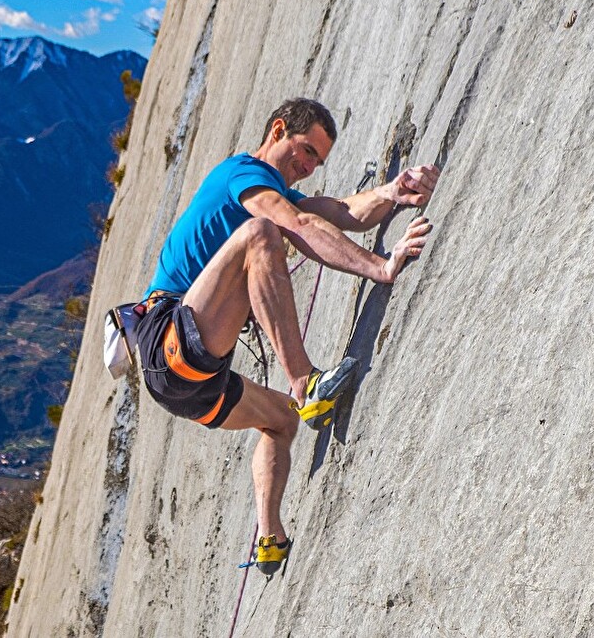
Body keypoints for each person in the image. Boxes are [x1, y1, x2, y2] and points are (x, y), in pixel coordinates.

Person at [132, 97, 439, 575]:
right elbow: (292, 224)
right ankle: (306, 381)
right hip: (167, 338)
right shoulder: (242, 174)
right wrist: (381, 266)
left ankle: (268, 536)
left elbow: (341, 211)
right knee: (261, 234)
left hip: (192, 380)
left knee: (281, 422)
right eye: (306, 149)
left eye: (318, 159)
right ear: (277, 130)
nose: (310, 166)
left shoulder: (272, 191)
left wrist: (395, 192)